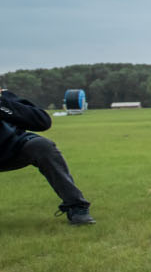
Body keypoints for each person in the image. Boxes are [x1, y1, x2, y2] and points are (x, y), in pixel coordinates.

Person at [0, 86, 94, 224]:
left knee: (42, 146)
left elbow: (42, 121)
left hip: (11, 148)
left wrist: (2, 103)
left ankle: (76, 206)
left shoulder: (5, 98)